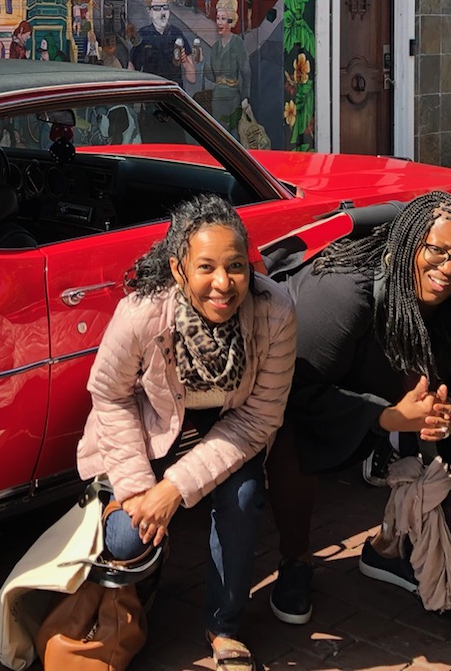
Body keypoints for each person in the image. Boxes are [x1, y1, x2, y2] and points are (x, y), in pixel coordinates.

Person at [77, 195, 294, 671]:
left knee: (242, 500)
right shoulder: (142, 312)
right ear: (179, 270)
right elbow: (109, 394)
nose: (224, 284)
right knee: (127, 539)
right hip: (151, 421)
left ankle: (225, 625)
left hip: (233, 422)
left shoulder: (274, 310)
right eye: (206, 267)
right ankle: (143, 563)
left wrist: (173, 490)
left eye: (236, 266)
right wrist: (139, 489)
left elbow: (260, 417)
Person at [266, 192, 451, 622]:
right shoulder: (343, 290)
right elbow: (293, 393)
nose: (448, 268)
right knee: (291, 441)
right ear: (410, 243)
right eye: (436, 250)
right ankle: (295, 558)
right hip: (299, 379)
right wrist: (386, 417)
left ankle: (397, 544)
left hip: (382, 367)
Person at [128, 0, 197, 88]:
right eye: (157, 8)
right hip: (153, 92)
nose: (162, 13)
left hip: (173, 93)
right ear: (149, 11)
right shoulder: (142, 35)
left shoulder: (177, 34)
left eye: (165, 7)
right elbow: (131, 68)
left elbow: (192, 79)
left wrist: (185, 61)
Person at [199, 0, 249, 129]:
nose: (219, 22)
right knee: (219, 132)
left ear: (231, 21)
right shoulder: (215, 47)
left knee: (233, 132)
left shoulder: (238, 43)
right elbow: (212, 77)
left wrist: (245, 98)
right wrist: (202, 61)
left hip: (233, 97)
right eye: (218, 18)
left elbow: (246, 73)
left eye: (223, 19)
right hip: (217, 97)